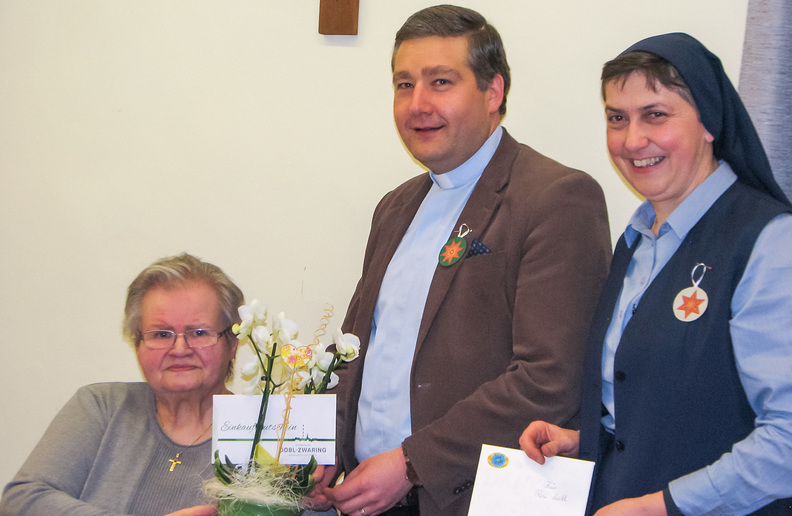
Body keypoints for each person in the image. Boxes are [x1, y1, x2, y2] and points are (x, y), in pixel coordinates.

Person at [310, 5, 612, 516]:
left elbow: (549, 381)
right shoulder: (395, 206)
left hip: (469, 498)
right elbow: (355, 348)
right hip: (366, 494)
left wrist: (411, 463)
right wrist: (323, 449)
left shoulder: (556, 198)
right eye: (404, 85)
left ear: (493, 92)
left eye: (441, 82)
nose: (417, 104)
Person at [520, 33, 792, 515]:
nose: (632, 140)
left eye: (655, 115)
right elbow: (669, 404)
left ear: (709, 121)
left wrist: (665, 505)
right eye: (617, 118)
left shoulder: (769, 242)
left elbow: (786, 440)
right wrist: (586, 439)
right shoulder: (637, 241)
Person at [0, 253, 244, 516]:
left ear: (232, 343)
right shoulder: (102, 406)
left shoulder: (259, 432)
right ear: (137, 343)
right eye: (162, 334)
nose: (180, 349)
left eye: (199, 332)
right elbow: (18, 504)